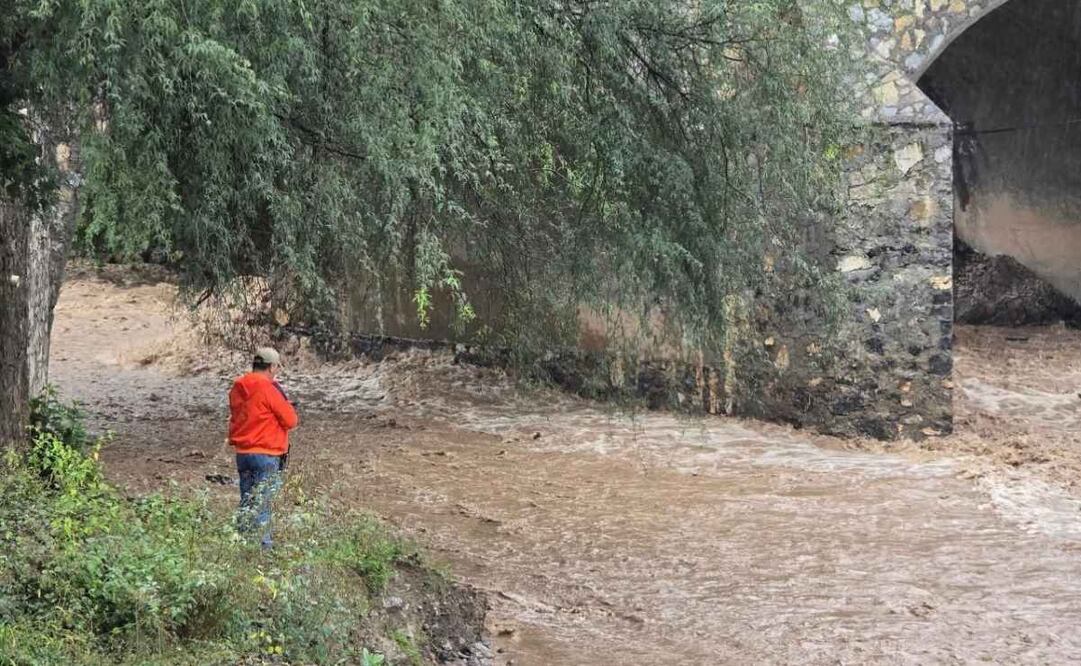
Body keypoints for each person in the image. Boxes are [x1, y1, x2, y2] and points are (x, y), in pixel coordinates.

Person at [228, 347, 298, 548]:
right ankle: (263, 550)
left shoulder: (238, 387)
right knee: (263, 504)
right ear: (272, 367)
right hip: (266, 453)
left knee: (247, 502)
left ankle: (242, 545)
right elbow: (291, 420)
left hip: (243, 453)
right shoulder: (269, 388)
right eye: (277, 367)